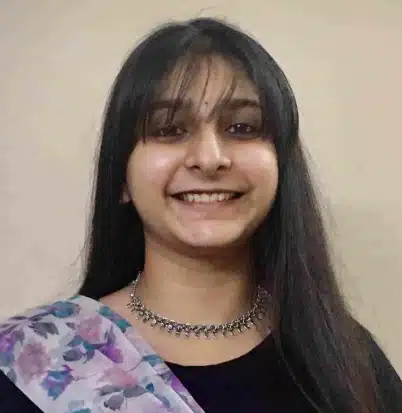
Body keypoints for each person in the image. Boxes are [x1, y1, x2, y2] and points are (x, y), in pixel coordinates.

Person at [0, 17, 401, 413]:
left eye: (242, 127)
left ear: (281, 168)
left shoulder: (346, 362)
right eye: (169, 129)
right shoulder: (33, 365)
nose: (209, 158)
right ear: (121, 176)